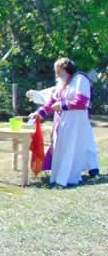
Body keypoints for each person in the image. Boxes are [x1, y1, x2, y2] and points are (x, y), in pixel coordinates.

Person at [29, 58, 100, 187]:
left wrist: (62, 105)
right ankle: (59, 177)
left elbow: (82, 102)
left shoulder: (80, 79)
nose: (56, 74)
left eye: (58, 70)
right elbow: (51, 102)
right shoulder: (61, 83)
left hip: (76, 122)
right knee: (61, 148)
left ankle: (69, 178)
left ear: (66, 69)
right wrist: (39, 113)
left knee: (71, 149)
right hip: (63, 122)